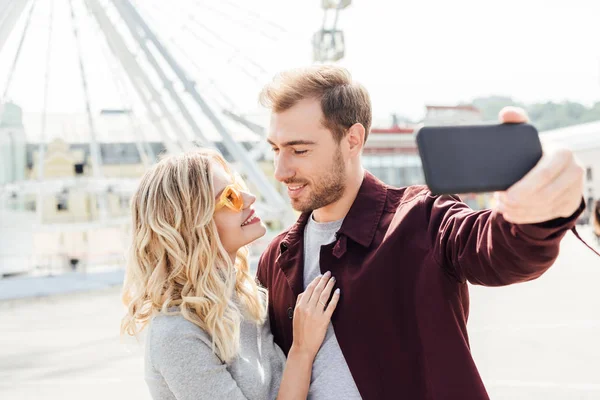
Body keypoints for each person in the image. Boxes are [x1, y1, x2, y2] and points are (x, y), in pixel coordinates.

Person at [256, 65, 591, 400]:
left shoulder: (423, 219)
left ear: (353, 140)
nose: (281, 171)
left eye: (299, 150)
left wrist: (538, 217)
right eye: (275, 149)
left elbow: (499, 249)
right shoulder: (276, 258)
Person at [121, 149, 341, 400]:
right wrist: (302, 349)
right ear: (193, 224)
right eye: (230, 196)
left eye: (238, 187)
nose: (249, 198)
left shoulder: (249, 299)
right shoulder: (177, 334)